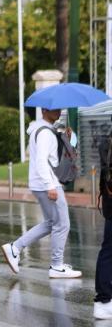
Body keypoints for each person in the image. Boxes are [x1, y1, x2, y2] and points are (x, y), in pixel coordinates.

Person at [1, 108, 81, 279]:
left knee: (53, 223)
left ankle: (15, 248)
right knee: (62, 224)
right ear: (44, 110)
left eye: (60, 108)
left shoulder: (45, 129)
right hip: (48, 184)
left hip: (44, 183)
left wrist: (69, 137)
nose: (58, 111)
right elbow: (41, 161)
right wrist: (50, 186)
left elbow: (55, 155)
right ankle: (56, 265)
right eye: (54, 109)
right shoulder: (45, 133)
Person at [95, 130, 112, 319]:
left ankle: (104, 298)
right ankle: (104, 300)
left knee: (108, 249)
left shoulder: (105, 142)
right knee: (108, 250)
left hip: (109, 202)